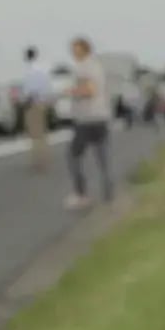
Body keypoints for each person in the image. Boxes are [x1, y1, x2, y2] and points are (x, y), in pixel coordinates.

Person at [65, 37, 112, 209]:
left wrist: (72, 91)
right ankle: (108, 194)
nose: (73, 53)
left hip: (86, 119)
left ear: (83, 50)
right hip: (101, 117)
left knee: (72, 156)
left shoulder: (83, 68)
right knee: (103, 158)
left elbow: (89, 90)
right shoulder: (97, 66)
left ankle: (81, 194)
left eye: (75, 49)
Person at [20, 46, 52, 172]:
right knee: (42, 134)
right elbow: (47, 88)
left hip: (32, 104)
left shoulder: (29, 71)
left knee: (35, 135)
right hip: (42, 103)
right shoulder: (42, 70)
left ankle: (37, 162)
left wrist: (24, 102)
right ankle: (44, 159)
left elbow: (28, 91)